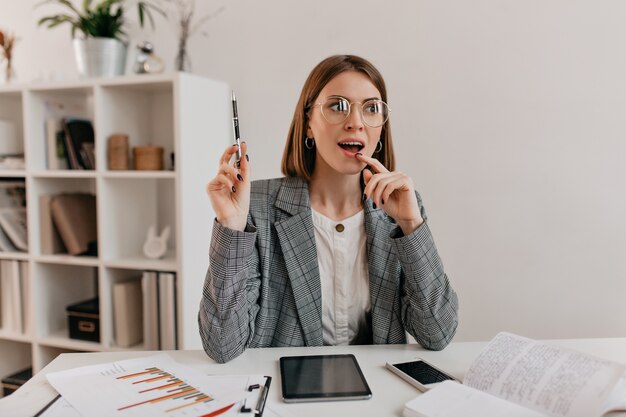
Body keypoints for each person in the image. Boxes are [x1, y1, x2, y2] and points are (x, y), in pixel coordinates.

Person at [199, 55, 458, 364]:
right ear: (308, 124)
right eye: (337, 105)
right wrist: (232, 225)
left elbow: (437, 333)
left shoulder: (401, 208)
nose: (356, 122)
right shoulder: (257, 207)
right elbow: (223, 345)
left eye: (371, 108)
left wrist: (411, 225)